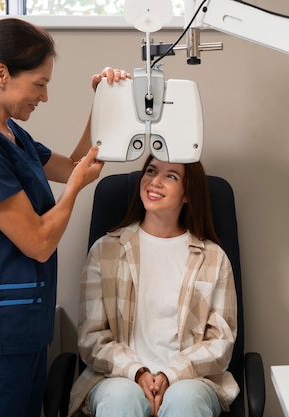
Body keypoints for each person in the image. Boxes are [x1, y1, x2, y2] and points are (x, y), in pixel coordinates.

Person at [0, 17, 129, 417]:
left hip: (23, 329)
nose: (44, 97)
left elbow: (78, 163)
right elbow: (39, 242)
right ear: (1, 74)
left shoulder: (8, 132)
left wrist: (103, 101)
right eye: (39, 84)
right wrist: (75, 188)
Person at [69, 154, 240, 417]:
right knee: (121, 399)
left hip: (190, 380)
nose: (154, 181)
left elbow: (220, 343)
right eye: (150, 171)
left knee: (185, 400)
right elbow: (91, 338)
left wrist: (171, 375)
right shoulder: (105, 251)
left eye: (171, 176)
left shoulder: (214, 259)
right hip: (118, 378)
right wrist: (137, 373)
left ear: (187, 194)